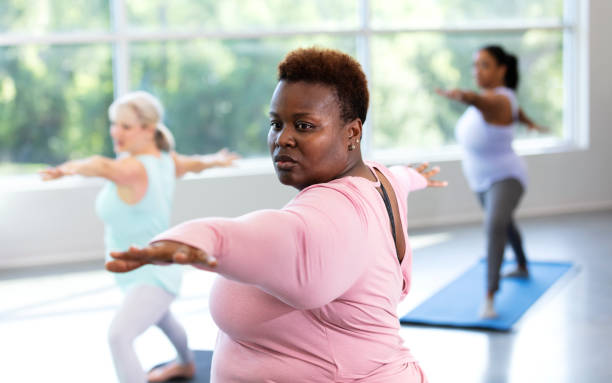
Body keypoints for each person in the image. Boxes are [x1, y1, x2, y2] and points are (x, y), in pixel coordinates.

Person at [106, 48, 446, 382]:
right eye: (276, 123)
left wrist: (203, 240)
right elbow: (399, 179)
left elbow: (274, 236)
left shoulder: (335, 209)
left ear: (352, 133)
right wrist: (414, 176)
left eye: (304, 125)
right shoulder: (376, 176)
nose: (283, 139)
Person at [40, 91, 239, 383]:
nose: (115, 132)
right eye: (114, 123)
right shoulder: (166, 160)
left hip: (150, 276)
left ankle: (180, 365)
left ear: (148, 130)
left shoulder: (131, 167)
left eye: (126, 126)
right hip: (149, 271)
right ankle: (185, 365)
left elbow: (98, 165)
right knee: (164, 319)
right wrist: (216, 161)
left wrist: (66, 170)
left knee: (118, 336)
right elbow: (194, 163)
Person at [436, 45, 547, 318]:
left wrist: (464, 95)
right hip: (481, 180)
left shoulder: (497, 100)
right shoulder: (500, 101)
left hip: (507, 177)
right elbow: (513, 112)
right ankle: (521, 265)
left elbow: (484, 104)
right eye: (475, 65)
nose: (477, 71)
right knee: (505, 223)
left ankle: (489, 296)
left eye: (484, 65)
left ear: (502, 69)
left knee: (495, 224)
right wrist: (530, 121)